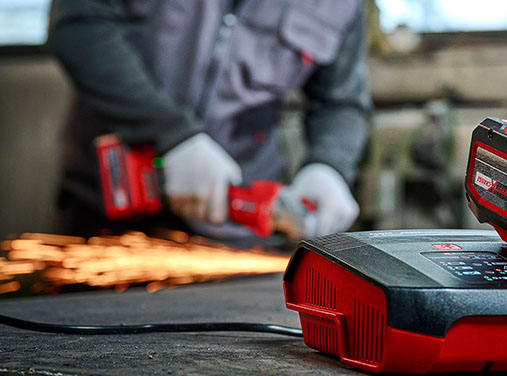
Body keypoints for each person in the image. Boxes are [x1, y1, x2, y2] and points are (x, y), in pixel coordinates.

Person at [47, 0, 371, 247]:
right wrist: (171, 134)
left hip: (236, 223)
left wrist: (329, 165)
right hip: (111, 205)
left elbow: (340, 101)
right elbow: (80, 25)